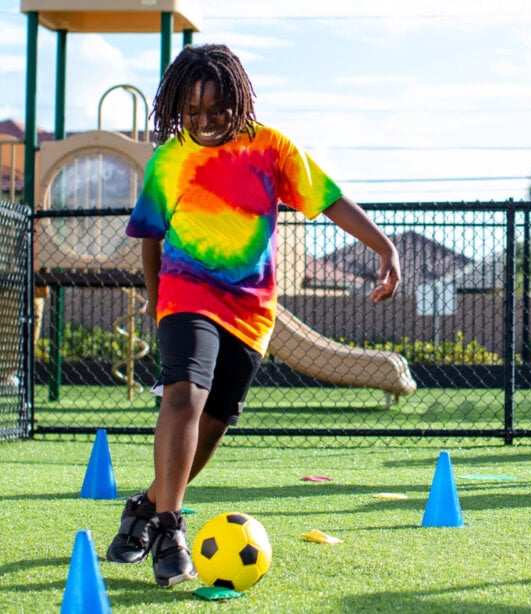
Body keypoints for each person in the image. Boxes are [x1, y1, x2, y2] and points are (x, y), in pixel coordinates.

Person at [106, 43, 402, 586]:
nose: (204, 123)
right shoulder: (170, 158)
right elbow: (149, 237)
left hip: (249, 310)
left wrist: (385, 248)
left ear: (237, 102)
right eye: (191, 113)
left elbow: (329, 199)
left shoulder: (270, 148)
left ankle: (144, 510)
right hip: (186, 293)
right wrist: (156, 300)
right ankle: (170, 528)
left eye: (215, 111)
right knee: (183, 395)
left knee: (214, 423)